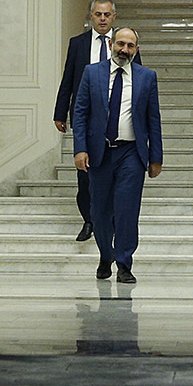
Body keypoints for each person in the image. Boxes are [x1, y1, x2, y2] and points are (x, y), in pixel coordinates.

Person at [72, 27, 163, 283]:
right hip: (99, 153)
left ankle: (124, 263)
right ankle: (106, 254)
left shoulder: (147, 77)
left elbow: (153, 119)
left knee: (127, 210)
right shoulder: (92, 73)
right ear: (112, 43)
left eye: (130, 46)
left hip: (131, 153)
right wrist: (80, 148)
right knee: (99, 211)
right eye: (121, 44)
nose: (124, 50)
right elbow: (80, 113)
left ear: (137, 50)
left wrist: (156, 157)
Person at [54, 0, 140, 242]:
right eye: (98, 14)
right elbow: (68, 78)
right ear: (91, 16)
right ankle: (89, 220)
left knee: (114, 175)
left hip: (118, 116)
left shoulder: (126, 44)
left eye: (107, 14)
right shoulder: (78, 44)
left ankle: (110, 221)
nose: (102, 19)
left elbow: (138, 79)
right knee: (85, 174)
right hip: (87, 117)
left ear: (114, 17)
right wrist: (60, 112)